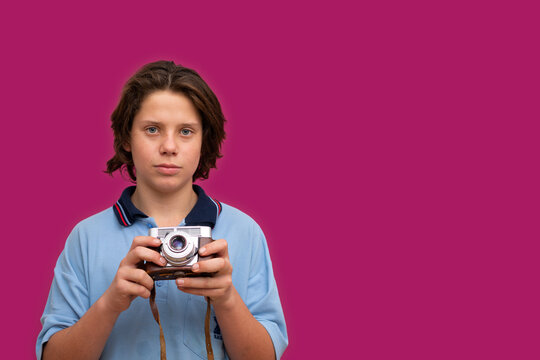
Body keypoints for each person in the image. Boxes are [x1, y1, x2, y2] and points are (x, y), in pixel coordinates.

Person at [36, 60, 288, 360]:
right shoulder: (86, 237)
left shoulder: (244, 232)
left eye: (186, 131)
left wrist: (227, 298)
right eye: (152, 129)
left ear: (203, 140)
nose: (169, 146)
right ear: (127, 138)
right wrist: (112, 302)